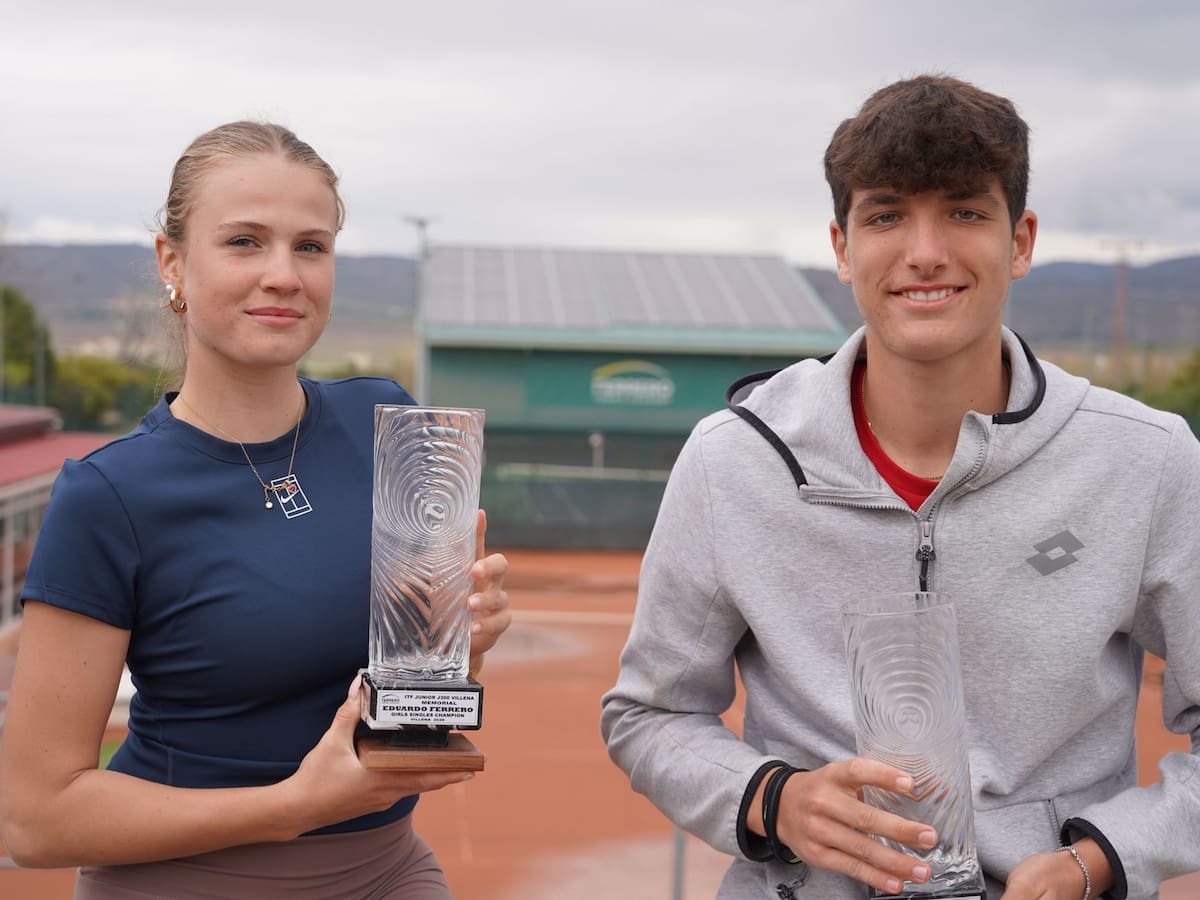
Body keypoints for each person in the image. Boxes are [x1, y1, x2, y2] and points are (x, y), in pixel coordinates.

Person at [601, 75, 1200, 900]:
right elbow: (649, 716)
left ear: (1019, 241)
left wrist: (1093, 860)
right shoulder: (732, 462)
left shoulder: (1149, 460)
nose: (925, 252)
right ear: (843, 247)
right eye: (886, 215)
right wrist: (776, 801)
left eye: (964, 211)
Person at [0, 121, 512, 899]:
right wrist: (291, 808)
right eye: (244, 242)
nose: (284, 274)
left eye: (311, 246)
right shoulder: (108, 496)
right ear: (173, 262)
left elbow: (397, 707)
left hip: (389, 872)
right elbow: (34, 820)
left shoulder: (389, 422)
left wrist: (454, 650)